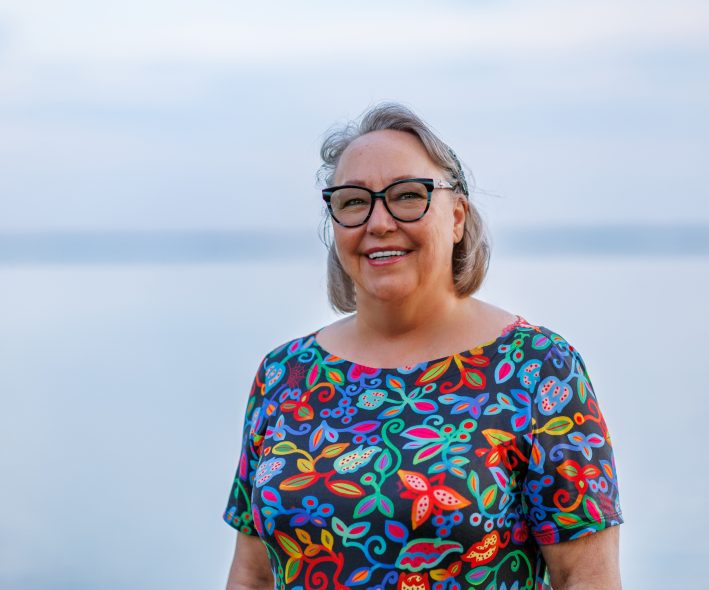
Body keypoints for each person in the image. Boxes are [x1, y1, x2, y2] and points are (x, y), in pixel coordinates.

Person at [222, 102, 623, 590]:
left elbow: (585, 577)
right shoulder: (285, 373)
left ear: (457, 217)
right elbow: (252, 575)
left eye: (408, 195)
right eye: (353, 201)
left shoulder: (539, 368)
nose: (379, 223)